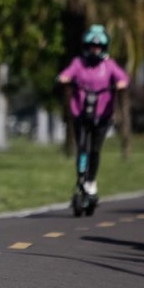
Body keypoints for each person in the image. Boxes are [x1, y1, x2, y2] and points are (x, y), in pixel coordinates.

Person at [56, 24, 130, 199]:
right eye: (92, 46)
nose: (95, 50)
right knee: (81, 146)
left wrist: (119, 85)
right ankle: (80, 178)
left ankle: (91, 180)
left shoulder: (109, 65)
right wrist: (64, 79)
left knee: (95, 149)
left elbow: (123, 79)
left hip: (102, 114)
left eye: (98, 47)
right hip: (80, 112)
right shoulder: (78, 63)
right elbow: (65, 75)